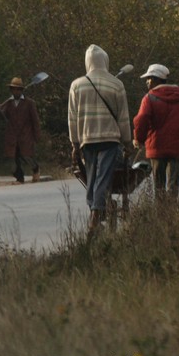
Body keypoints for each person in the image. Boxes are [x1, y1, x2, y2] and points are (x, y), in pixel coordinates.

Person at [67, 44, 132, 232]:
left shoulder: (76, 85)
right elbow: (123, 117)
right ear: (105, 61)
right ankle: (96, 214)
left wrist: (74, 144)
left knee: (92, 177)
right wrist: (127, 142)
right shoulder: (117, 84)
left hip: (87, 140)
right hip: (110, 140)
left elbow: (72, 118)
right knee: (103, 177)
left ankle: (95, 213)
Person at [132, 64, 179, 199]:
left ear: (156, 79)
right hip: (177, 149)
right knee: (173, 186)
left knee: (158, 186)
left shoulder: (149, 98)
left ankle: (160, 215)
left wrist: (138, 139)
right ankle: (171, 214)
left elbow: (141, 119)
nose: (147, 82)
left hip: (157, 147)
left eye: (148, 78)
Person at [0, 76, 41, 184]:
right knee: (13, 158)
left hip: (26, 135)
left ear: (21, 90)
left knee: (26, 156)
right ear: (11, 90)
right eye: (13, 89)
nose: (15, 91)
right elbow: (4, 117)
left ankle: (36, 169)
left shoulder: (29, 103)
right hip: (12, 135)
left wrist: (37, 135)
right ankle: (20, 178)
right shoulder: (8, 103)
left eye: (18, 89)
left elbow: (35, 120)